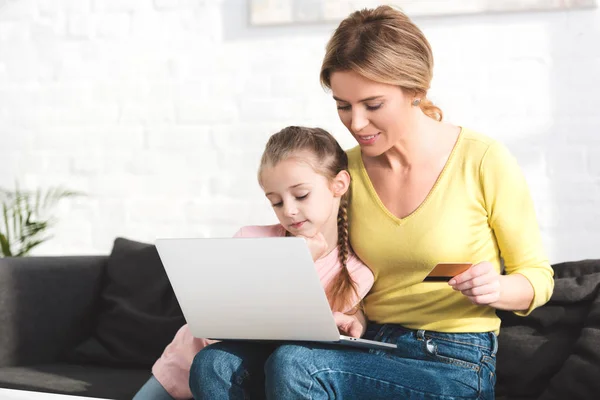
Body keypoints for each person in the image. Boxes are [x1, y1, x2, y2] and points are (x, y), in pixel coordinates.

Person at [189, 5, 555, 400]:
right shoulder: (342, 174)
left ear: (415, 90)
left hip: (452, 359)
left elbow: (536, 276)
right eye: (343, 106)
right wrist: (346, 315)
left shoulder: (482, 159)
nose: (356, 123)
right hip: (366, 346)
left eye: (372, 105)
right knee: (216, 364)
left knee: (297, 364)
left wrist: (497, 288)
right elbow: (330, 261)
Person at [132, 126, 374, 400]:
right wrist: (297, 261)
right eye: (276, 202)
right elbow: (223, 322)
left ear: (338, 184)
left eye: (301, 195)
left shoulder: (356, 274)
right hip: (185, 360)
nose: (289, 210)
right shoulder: (251, 239)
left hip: (245, 371)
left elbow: (297, 353)